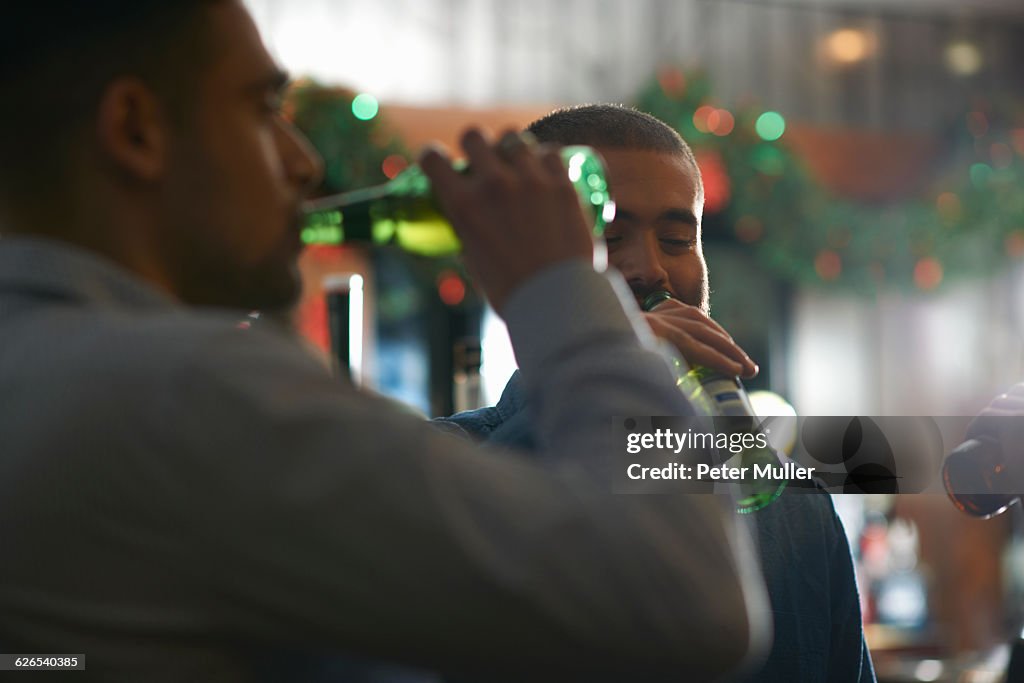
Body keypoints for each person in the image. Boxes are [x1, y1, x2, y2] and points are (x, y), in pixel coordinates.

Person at [0, 2, 772, 681]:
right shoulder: (185, 394)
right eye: (263, 108)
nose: (303, 162)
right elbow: (692, 598)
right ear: (136, 129)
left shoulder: (43, 364)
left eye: (679, 233)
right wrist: (567, 290)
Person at [444, 104, 876, 682]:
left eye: (676, 238)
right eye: (607, 236)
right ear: (526, 265)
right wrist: (603, 357)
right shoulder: (450, 466)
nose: (649, 268)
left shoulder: (794, 507)